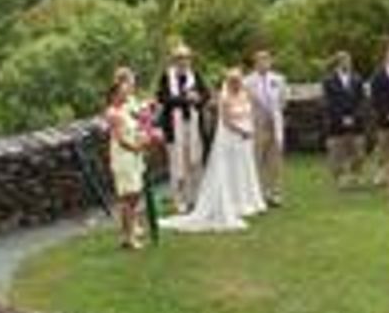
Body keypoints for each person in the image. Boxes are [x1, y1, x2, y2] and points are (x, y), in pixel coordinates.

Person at [184, 68, 266, 232]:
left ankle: (248, 199)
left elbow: (251, 112)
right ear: (228, 82)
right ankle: (234, 201)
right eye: (233, 81)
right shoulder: (225, 98)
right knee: (232, 169)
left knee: (246, 168)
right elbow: (227, 122)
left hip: (246, 139)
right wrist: (242, 131)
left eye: (238, 81)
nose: (236, 84)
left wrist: (251, 129)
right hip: (232, 138)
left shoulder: (245, 94)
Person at [102, 65, 155, 251]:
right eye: (123, 92)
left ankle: (131, 232)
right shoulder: (112, 113)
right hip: (123, 157)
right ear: (115, 94)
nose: (126, 95)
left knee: (134, 195)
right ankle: (128, 237)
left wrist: (145, 137)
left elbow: (140, 121)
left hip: (133, 155)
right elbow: (120, 140)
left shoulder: (126, 108)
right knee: (127, 197)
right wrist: (137, 147)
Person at [154, 44, 210, 211]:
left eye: (186, 58)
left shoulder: (195, 75)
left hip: (193, 126)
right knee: (178, 164)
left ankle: (195, 197)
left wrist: (197, 99)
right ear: (174, 60)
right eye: (179, 58)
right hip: (174, 127)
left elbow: (206, 95)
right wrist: (185, 99)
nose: (183, 61)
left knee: (195, 162)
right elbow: (162, 98)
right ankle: (180, 200)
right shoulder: (167, 76)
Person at [247, 46, 289, 206]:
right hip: (257, 124)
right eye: (260, 60)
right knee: (258, 158)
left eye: (266, 59)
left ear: (271, 62)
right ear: (255, 63)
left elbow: (284, 100)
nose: (263, 63)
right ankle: (260, 192)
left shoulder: (279, 79)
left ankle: (275, 192)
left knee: (275, 159)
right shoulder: (248, 81)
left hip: (275, 122)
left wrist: (276, 111)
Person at [320, 51, 369, 187]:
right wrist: (341, 117)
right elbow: (328, 102)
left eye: (349, 61)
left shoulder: (357, 79)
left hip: (356, 121)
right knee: (337, 152)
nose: (347, 64)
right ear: (338, 63)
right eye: (344, 61)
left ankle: (356, 175)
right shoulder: (328, 81)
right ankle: (339, 178)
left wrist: (354, 116)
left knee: (358, 150)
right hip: (336, 122)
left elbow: (362, 100)